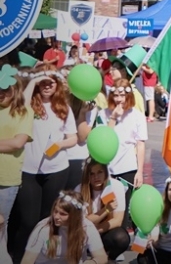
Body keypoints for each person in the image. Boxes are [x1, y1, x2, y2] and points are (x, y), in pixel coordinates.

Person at [11, 66, 77, 263]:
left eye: (51, 82)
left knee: (49, 220)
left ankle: (45, 257)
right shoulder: (28, 105)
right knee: (28, 220)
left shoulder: (63, 107)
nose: (47, 86)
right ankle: (19, 257)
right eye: (43, 82)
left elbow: (73, 138)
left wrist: (60, 144)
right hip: (28, 170)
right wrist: (35, 79)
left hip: (56, 170)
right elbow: (21, 102)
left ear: (57, 85)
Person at [94, 78, 148, 230]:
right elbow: (103, 140)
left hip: (127, 168)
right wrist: (113, 118)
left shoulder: (137, 116)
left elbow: (140, 144)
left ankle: (121, 237)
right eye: (116, 95)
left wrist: (140, 171)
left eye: (122, 95)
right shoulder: (103, 114)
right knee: (107, 207)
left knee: (123, 209)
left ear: (128, 96)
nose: (119, 99)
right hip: (106, 170)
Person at [0, 64, 33, 263]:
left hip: (7, 178)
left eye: (5, 88)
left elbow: (17, 142)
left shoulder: (24, 112)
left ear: (15, 88)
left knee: (1, 225)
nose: (1, 93)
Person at [20, 190, 107, 264]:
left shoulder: (86, 226)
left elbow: (102, 257)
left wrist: (91, 262)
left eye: (63, 214)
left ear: (74, 216)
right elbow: (27, 261)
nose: (56, 216)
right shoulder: (43, 227)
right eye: (55, 211)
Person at [75, 158, 130, 260]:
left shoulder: (116, 186)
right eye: (92, 174)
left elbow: (117, 221)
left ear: (105, 172)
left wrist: (95, 233)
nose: (96, 177)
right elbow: (84, 222)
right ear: (87, 175)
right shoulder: (79, 189)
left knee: (121, 238)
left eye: (99, 172)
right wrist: (106, 210)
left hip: (104, 231)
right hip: (85, 232)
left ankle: (108, 258)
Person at [136, 175, 171, 264]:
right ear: (166, 191)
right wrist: (152, 239)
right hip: (161, 252)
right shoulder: (159, 207)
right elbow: (155, 231)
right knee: (143, 258)